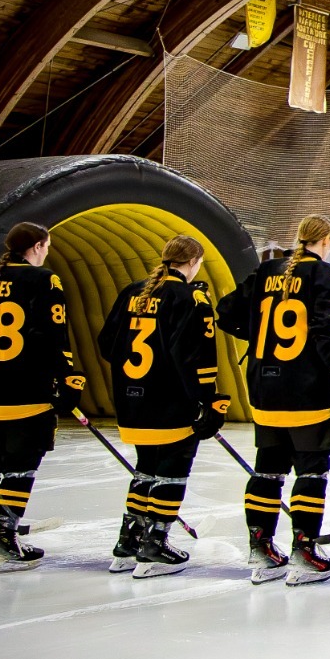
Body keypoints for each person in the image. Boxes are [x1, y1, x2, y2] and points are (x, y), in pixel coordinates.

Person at [217, 216, 330, 586]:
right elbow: (328, 338)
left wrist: (256, 336)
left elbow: (225, 313)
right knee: (311, 472)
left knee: (267, 469)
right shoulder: (328, 275)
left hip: (265, 388)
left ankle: (261, 549)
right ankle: (305, 550)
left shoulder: (266, 271)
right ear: (326, 240)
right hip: (307, 389)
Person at [97, 234, 228, 578]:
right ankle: (154, 545)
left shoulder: (132, 291)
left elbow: (107, 344)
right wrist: (209, 401)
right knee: (172, 470)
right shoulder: (190, 297)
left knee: (146, 468)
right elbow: (194, 356)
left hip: (132, 401)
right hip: (171, 402)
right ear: (193, 261)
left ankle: (129, 542)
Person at [0, 223, 84, 572]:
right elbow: (54, 334)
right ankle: (5, 540)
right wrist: (68, 379)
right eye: (47, 246)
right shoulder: (44, 280)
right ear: (37, 246)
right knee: (20, 467)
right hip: (24, 394)